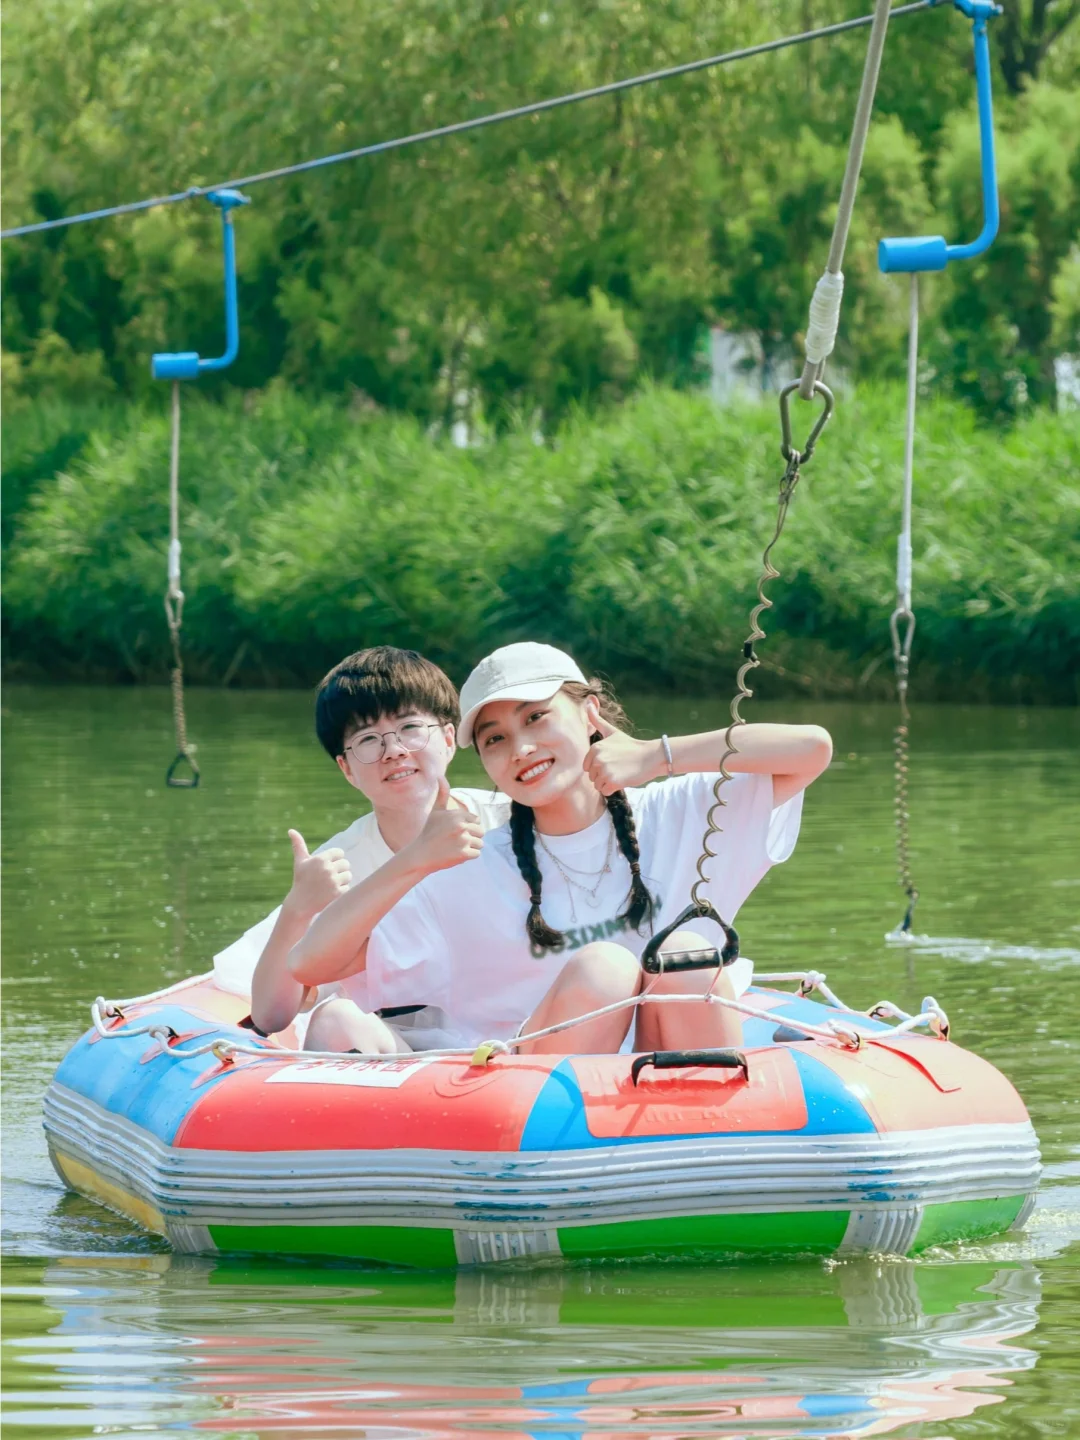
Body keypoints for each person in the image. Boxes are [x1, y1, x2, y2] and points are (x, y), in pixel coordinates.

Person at [305, 641, 831, 1056]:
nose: (521, 748)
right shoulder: (472, 867)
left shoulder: (677, 810)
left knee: (685, 955)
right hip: (531, 1106)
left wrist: (659, 755)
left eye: (536, 718)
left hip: (669, 1086)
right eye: (495, 739)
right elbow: (312, 964)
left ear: (589, 713)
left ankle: (712, 1142)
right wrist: (413, 861)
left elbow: (811, 750)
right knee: (604, 970)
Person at [211, 646, 506, 1052]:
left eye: (410, 727)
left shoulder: (511, 821)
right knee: (337, 1021)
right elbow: (270, 1017)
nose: (394, 751)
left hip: (523, 1046)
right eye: (368, 740)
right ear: (347, 768)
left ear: (449, 738)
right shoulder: (340, 865)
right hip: (401, 1057)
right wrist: (298, 909)